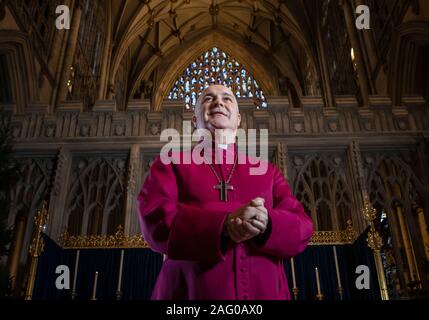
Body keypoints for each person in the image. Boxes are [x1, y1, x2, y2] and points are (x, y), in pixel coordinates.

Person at [137, 84, 313, 300]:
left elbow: (302, 227)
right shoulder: (171, 163)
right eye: (208, 99)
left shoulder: (267, 171)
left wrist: (267, 224)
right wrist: (224, 224)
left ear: (238, 119)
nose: (219, 102)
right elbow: (155, 219)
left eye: (227, 98)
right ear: (195, 121)